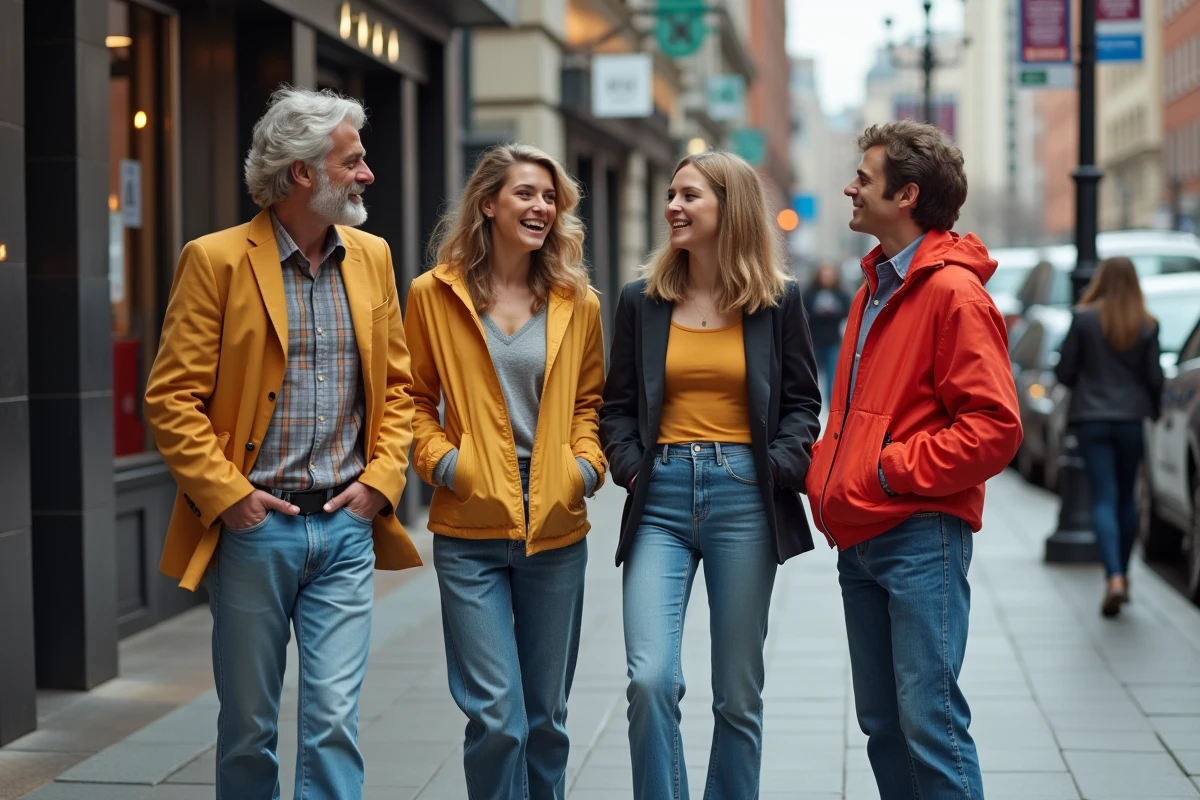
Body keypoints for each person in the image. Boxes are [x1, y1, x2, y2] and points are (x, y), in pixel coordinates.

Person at [143, 86, 420, 800]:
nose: (367, 174)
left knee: (332, 720)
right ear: (302, 173)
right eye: (352, 161)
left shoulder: (374, 257)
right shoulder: (215, 261)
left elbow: (398, 391)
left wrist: (381, 483)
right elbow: (171, 400)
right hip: (256, 530)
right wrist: (232, 499)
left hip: (346, 527)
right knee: (249, 727)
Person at [805, 120, 1022, 800]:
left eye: (863, 179)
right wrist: (830, 472)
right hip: (860, 539)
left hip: (919, 535)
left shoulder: (953, 294)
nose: (850, 187)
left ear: (905, 195)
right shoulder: (874, 286)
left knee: (930, 724)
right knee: (883, 726)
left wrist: (887, 469)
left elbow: (995, 427)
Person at [600, 150, 822, 799]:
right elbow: (615, 407)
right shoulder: (641, 300)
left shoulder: (778, 302)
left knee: (737, 695)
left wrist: (775, 467)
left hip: (744, 501)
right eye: (671, 194)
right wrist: (634, 469)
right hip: (660, 498)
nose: (673, 206)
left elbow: (804, 403)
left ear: (730, 208)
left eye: (689, 195)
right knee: (650, 679)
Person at [404, 143, 606, 800]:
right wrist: (447, 465)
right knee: (497, 719)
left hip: (556, 523)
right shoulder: (433, 296)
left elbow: (590, 402)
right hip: (470, 528)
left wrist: (584, 469)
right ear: (488, 203)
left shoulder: (579, 302)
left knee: (544, 720)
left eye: (550, 197)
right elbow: (409, 400)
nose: (541, 207)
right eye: (526, 193)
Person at [1054, 256, 1163, 617]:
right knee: (1127, 499)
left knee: (1103, 496)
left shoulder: (1084, 319)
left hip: (1092, 420)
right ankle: (1123, 575)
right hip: (1131, 419)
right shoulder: (1146, 324)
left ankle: (1113, 576)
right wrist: (1156, 410)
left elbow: (1066, 373)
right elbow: (1154, 377)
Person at [802, 263, 853, 406]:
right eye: (824, 275)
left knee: (833, 377)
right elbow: (804, 314)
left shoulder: (841, 293)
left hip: (832, 341)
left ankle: (832, 407)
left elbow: (846, 313)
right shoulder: (810, 293)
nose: (827, 278)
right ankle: (809, 403)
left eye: (829, 275)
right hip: (813, 340)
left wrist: (831, 313)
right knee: (810, 376)